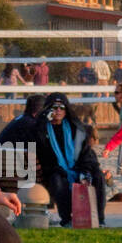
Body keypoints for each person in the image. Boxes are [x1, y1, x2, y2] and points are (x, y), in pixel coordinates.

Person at [35, 93, 106, 227]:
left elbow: (86, 154)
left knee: (98, 176)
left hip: (77, 167)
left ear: (66, 110)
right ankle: (67, 219)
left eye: (62, 107)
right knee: (57, 180)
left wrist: (85, 171)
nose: (58, 110)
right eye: (54, 107)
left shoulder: (76, 129)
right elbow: (43, 154)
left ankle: (99, 219)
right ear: (48, 109)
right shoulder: (42, 130)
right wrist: (45, 119)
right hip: (55, 170)